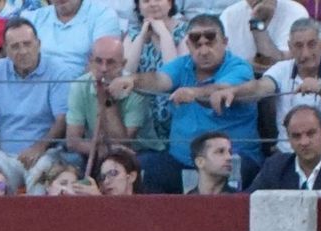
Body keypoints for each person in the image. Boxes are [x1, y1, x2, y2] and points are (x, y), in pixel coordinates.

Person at [108, 14, 262, 191]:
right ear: (188, 45)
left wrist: (194, 92)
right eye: (197, 44)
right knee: (147, 165)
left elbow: (222, 89)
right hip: (183, 159)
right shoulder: (182, 64)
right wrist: (133, 80)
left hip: (232, 157)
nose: (203, 51)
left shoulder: (239, 67)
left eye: (210, 42)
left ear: (225, 42)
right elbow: (159, 79)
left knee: (235, 173)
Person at [0, 19, 77, 171]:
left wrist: (39, 147)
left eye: (27, 44)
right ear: (6, 50)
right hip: (3, 155)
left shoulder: (58, 71)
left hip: (46, 153)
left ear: (38, 44)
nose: (23, 51)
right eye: (15, 46)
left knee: (42, 171)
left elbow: (62, 119)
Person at [235, 17, 321, 151]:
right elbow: (260, 88)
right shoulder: (281, 68)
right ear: (290, 47)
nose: (306, 53)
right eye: (298, 46)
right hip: (289, 155)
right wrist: (233, 92)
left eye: (312, 44)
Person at [65, 35, 153, 161]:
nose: (104, 68)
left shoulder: (136, 90)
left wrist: (107, 100)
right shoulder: (79, 85)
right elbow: (72, 141)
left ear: (123, 64)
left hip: (140, 152)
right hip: (98, 149)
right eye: (98, 61)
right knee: (70, 162)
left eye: (110, 62)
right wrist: (100, 151)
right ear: (90, 61)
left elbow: (122, 143)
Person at [247, 102, 321, 189]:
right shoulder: (275, 167)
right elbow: (247, 203)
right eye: (296, 136)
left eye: (311, 134)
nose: (304, 142)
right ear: (288, 138)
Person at [124, 0, 187, 145]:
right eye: (145, 1)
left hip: (173, 105)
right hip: (141, 110)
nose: (152, 4)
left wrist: (164, 34)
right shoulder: (133, 33)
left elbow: (175, 73)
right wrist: (141, 37)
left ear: (170, 3)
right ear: (138, 7)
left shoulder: (185, 32)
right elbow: (127, 71)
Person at [28, 0, 124, 70]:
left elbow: (102, 67)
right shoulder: (34, 18)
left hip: (81, 91)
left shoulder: (103, 16)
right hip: (37, 89)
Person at [220, 0, 305, 69]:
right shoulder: (228, 16)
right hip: (239, 81)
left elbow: (274, 63)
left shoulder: (295, 12)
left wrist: (257, 23)